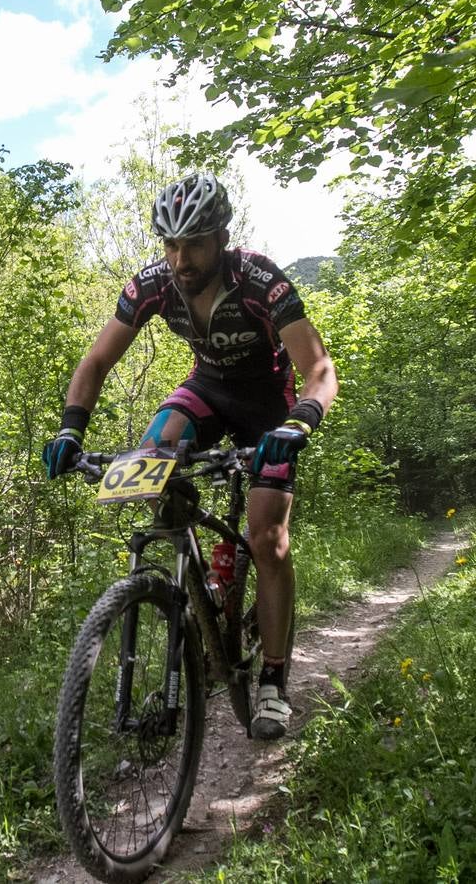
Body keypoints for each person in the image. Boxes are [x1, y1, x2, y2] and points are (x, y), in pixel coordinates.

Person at [42, 172, 338, 740]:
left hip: (268, 408)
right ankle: (190, 590)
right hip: (205, 390)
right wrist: (69, 431)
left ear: (221, 236)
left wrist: (302, 419)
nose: (181, 258)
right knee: (154, 452)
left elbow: (319, 369)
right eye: (171, 244)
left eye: (195, 243)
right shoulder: (152, 284)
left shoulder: (259, 280)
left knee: (266, 538)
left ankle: (273, 679)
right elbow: (96, 363)